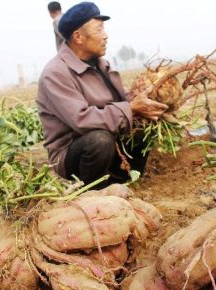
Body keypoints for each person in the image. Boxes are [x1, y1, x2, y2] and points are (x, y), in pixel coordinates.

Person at [37, 2, 168, 188]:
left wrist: (146, 98)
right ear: (78, 37)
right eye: (99, 29)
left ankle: (123, 180)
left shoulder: (101, 64)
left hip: (110, 140)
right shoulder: (56, 73)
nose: (106, 36)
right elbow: (82, 120)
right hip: (72, 152)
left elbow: (122, 100)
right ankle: (93, 192)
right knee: (99, 140)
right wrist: (130, 108)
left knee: (145, 122)